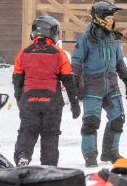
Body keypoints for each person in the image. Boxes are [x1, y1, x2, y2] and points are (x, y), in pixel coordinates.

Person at [71, 1, 127, 167]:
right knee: (91, 121)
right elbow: (76, 61)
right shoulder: (85, 39)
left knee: (118, 118)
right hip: (93, 84)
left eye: (112, 18)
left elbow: (119, 61)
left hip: (111, 84)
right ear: (99, 18)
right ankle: (90, 154)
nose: (112, 21)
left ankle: (110, 152)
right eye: (108, 17)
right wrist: (75, 80)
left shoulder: (113, 38)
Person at [12, 16, 80, 167]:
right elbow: (69, 80)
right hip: (52, 103)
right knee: (50, 135)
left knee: (27, 131)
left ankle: (23, 156)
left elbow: (17, 79)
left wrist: (19, 99)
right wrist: (74, 102)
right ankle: (48, 167)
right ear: (53, 33)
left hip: (29, 101)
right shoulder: (58, 53)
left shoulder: (24, 53)